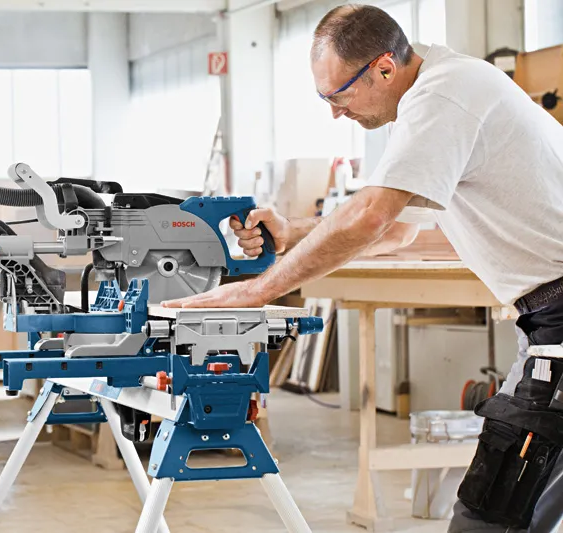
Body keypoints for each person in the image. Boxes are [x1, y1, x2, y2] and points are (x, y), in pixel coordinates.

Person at [162, 5, 563, 532]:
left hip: (556, 323)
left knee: (493, 512)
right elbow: (398, 224)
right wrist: (293, 231)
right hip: (544, 323)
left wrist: (254, 292)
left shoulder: (442, 98)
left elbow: (373, 215)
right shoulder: (432, 86)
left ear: (383, 68)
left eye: (339, 95)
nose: (334, 112)